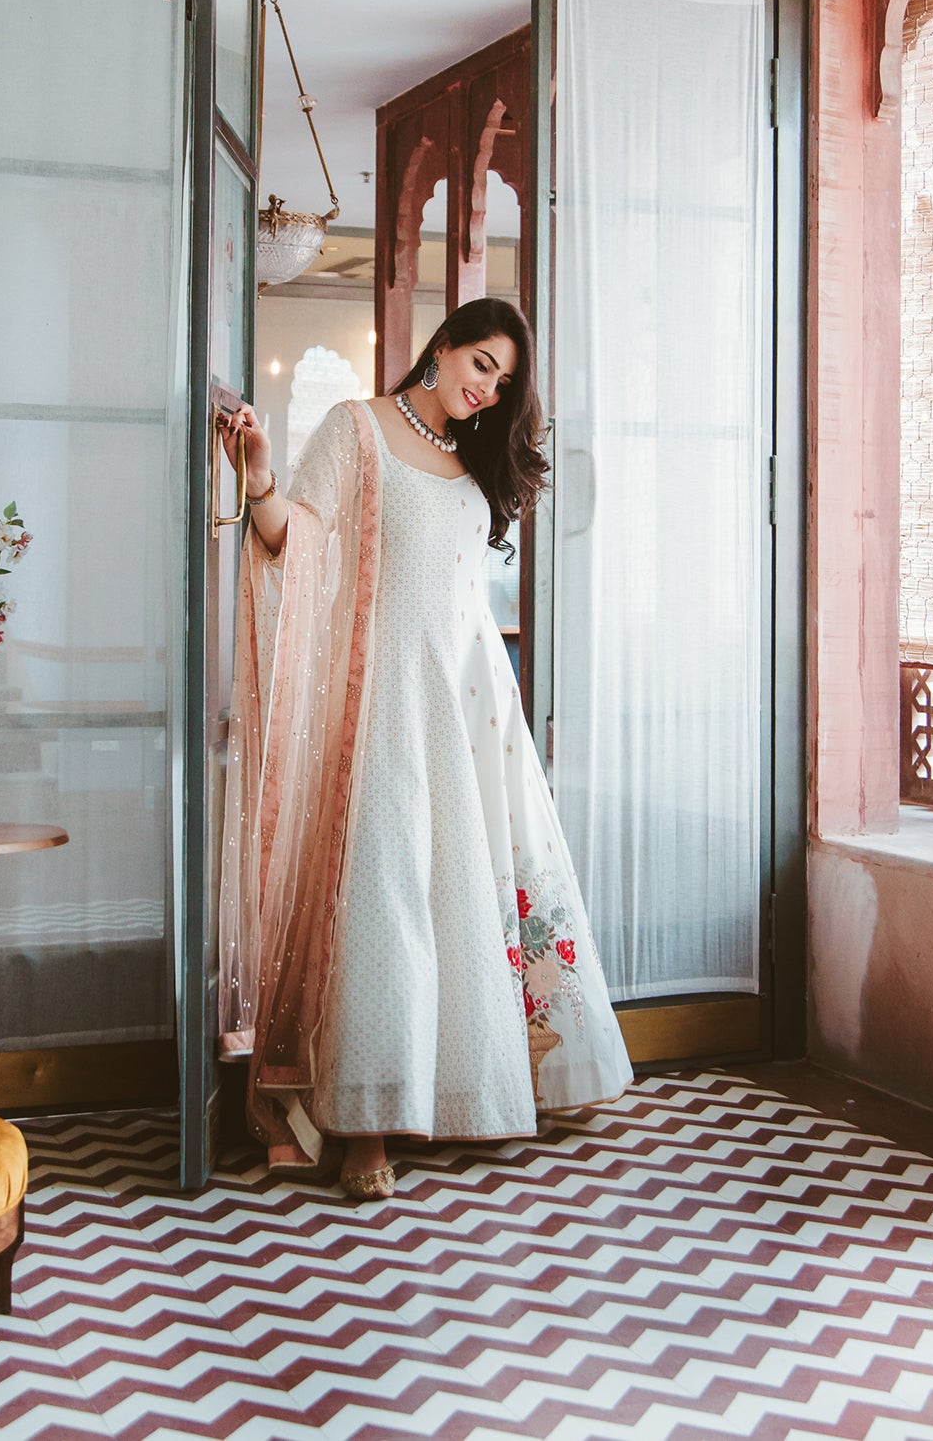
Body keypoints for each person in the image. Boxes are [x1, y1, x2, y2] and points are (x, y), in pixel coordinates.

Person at [217, 297, 632, 1199]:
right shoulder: (356, 429)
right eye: (480, 363)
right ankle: (366, 1125)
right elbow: (299, 543)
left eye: (504, 381)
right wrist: (257, 483)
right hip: (380, 701)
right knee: (383, 898)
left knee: (460, 898)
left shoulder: (470, 460)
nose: (486, 389)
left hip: (469, 705)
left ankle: (462, 1094)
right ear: (441, 347)